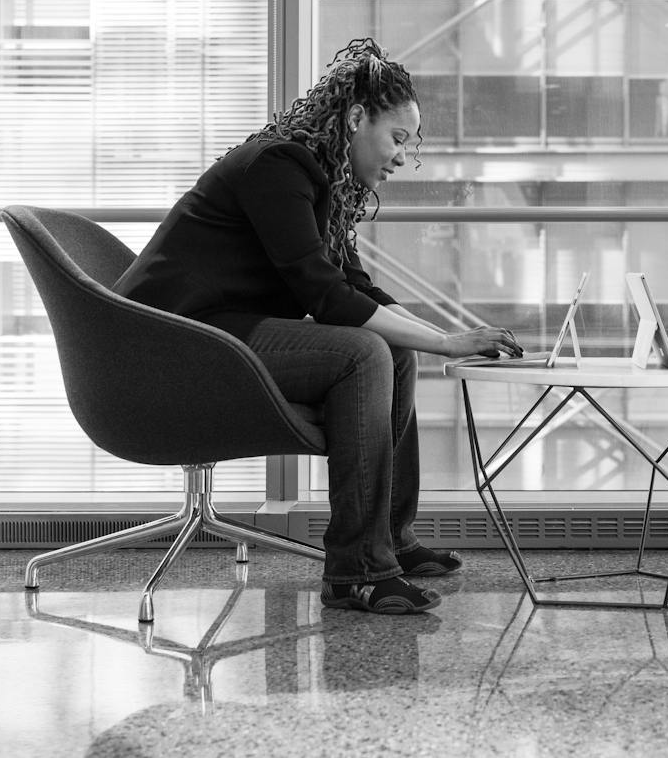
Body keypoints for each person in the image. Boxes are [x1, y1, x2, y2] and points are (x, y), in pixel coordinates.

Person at [115, 38, 521, 615]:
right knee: (364, 353)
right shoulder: (278, 166)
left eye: (411, 144)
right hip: (171, 343)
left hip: (221, 332)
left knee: (392, 350)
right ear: (356, 119)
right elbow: (323, 296)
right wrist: (446, 343)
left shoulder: (319, 177)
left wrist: (445, 336)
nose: (403, 157)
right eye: (397, 138)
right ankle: (357, 570)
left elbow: (354, 286)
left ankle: (388, 543)